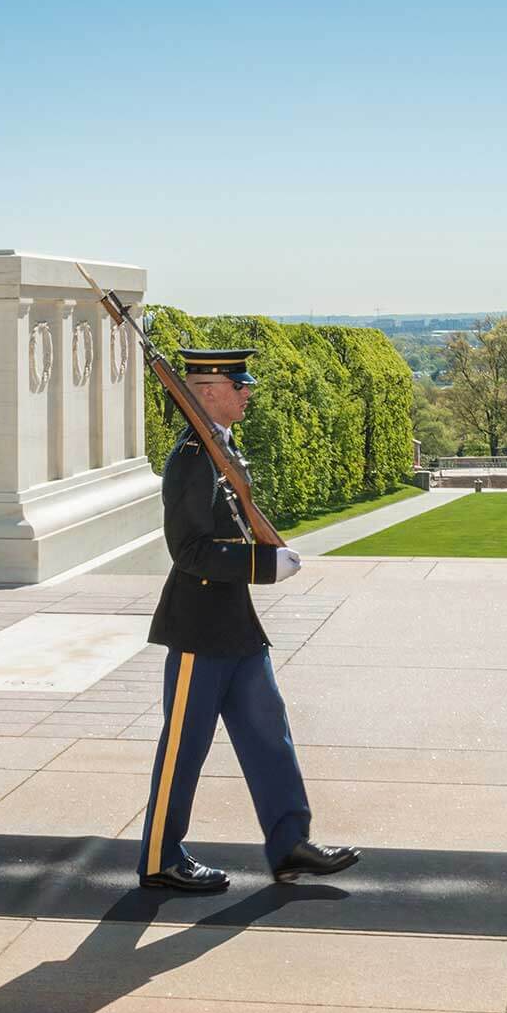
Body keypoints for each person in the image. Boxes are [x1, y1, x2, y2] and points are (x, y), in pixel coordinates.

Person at [136, 347, 361, 893]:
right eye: (239, 385)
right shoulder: (193, 458)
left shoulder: (220, 449)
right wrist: (262, 564)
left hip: (234, 624)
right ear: (207, 391)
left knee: (268, 733)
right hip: (198, 627)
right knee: (184, 748)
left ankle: (290, 847)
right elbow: (188, 550)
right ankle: (160, 859)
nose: (247, 393)